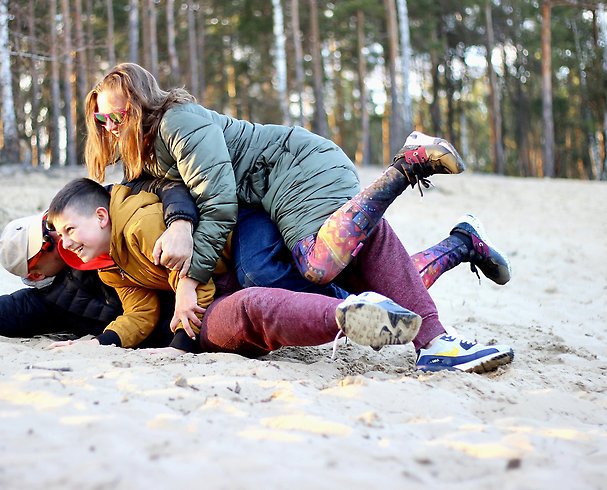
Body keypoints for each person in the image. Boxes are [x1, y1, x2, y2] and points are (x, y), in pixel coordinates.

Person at [81, 62, 513, 372]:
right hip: (265, 197)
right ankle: (460, 244)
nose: (110, 127)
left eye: (117, 115)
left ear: (140, 105)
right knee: (347, 280)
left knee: (318, 264)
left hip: (295, 167)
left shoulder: (179, 122)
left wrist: (189, 281)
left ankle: (406, 166)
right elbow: (174, 190)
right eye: (102, 120)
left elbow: (218, 202)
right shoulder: (149, 154)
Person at [47, 177, 513, 373]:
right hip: (219, 305)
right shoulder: (107, 263)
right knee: (268, 303)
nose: (63, 246)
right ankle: (455, 247)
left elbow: (195, 272)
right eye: (56, 240)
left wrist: (181, 333)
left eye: (68, 231)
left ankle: (415, 328)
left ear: (101, 216)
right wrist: (107, 341)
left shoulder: (145, 221)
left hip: (239, 270)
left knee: (356, 250)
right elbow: (141, 311)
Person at [0, 177, 198, 345]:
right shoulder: (42, 304)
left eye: (51, 225)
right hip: (184, 329)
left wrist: (180, 223)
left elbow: (167, 186)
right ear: (36, 271)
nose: (60, 237)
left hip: (200, 277)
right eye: (48, 239)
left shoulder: (96, 223)